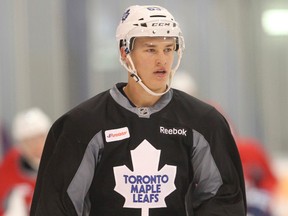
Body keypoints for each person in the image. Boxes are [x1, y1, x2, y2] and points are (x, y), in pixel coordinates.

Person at [30, 5, 246, 216]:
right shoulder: (82, 124)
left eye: (168, 49)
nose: (162, 59)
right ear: (125, 53)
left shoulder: (204, 122)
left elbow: (223, 199)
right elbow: (56, 205)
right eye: (151, 49)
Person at [0, 108, 51, 216]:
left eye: (40, 137)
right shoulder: (9, 169)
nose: (36, 145)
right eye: (29, 141)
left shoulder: (64, 163)